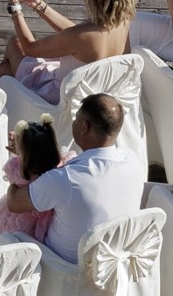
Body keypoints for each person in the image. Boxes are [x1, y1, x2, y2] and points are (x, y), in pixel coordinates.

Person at [0, 0, 137, 105]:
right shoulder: (121, 24)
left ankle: (9, 108)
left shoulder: (82, 37)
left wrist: (14, 5)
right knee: (5, 69)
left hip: (57, 101)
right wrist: (38, 4)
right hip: (85, 97)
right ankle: (10, 107)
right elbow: (77, 34)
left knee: (15, 45)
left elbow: (29, 47)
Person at [25, 94, 145, 264]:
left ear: (85, 127)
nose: (73, 122)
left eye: (76, 118)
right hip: (117, 263)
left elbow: (15, 202)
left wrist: (25, 157)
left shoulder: (66, 178)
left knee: (6, 230)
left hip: (61, 272)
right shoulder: (134, 161)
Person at [0, 120, 60, 245]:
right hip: (48, 218)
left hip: (21, 216)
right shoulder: (58, 168)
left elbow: (13, 182)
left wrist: (18, 154)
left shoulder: (18, 169)